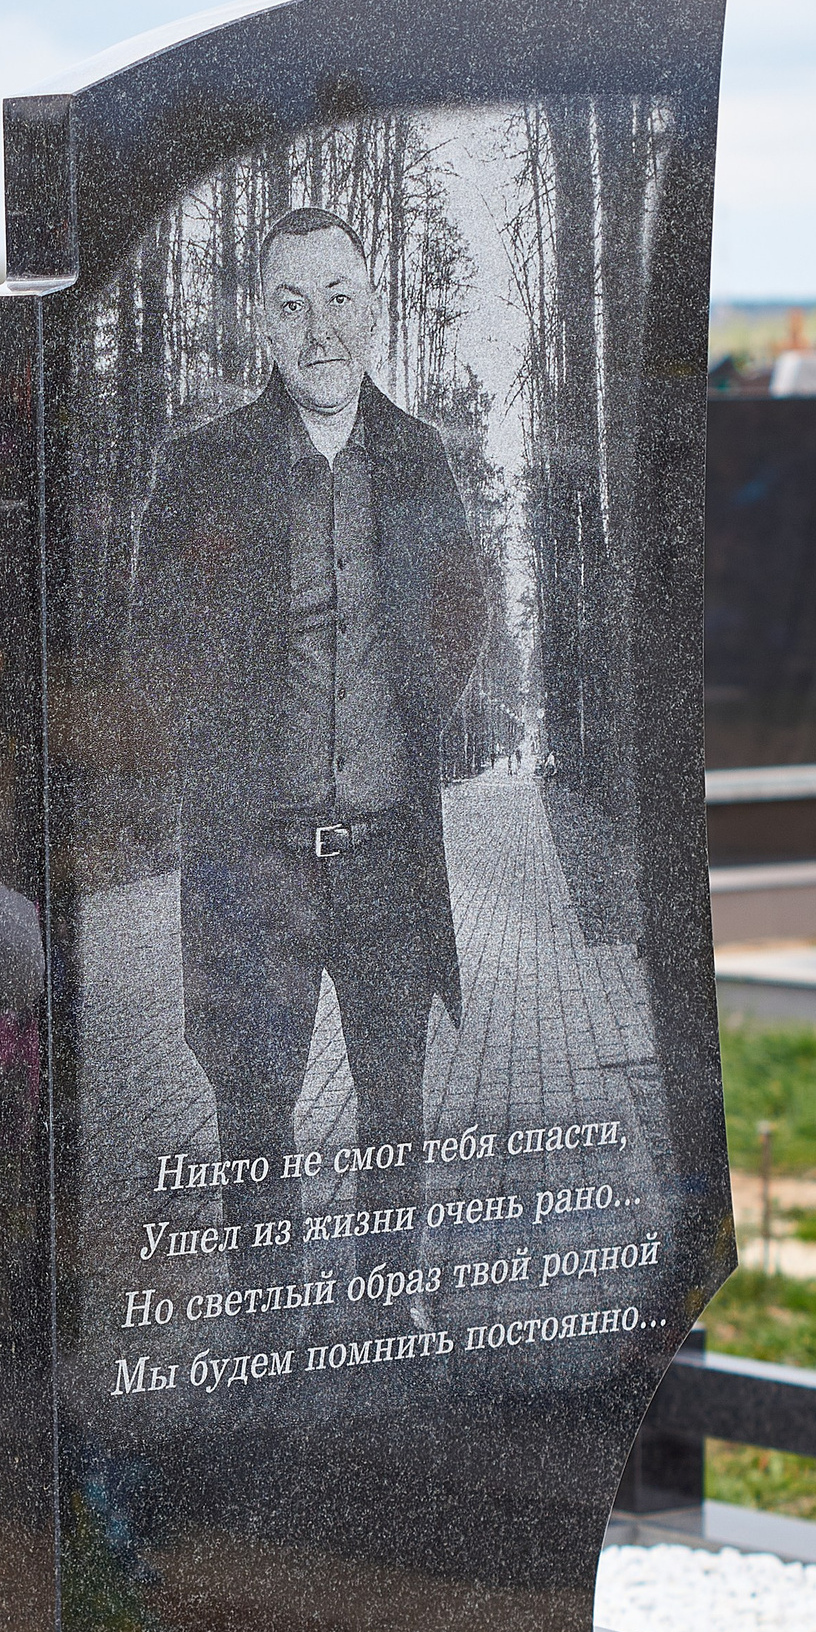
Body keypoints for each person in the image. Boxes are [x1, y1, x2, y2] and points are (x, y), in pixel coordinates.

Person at [135, 206, 490, 1168]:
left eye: (339, 299)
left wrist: (401, 730)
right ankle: (260, 1280)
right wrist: (225, 768)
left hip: (388, 861)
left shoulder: (418, 459)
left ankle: (389, 1272)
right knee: (253, 1137)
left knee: (395, 1127)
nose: (320, 329)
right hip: (254, 872)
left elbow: (463, 612)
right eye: (292, 305)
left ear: (371, 309)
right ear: (262, 321)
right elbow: (154, 648)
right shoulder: (201, 469)